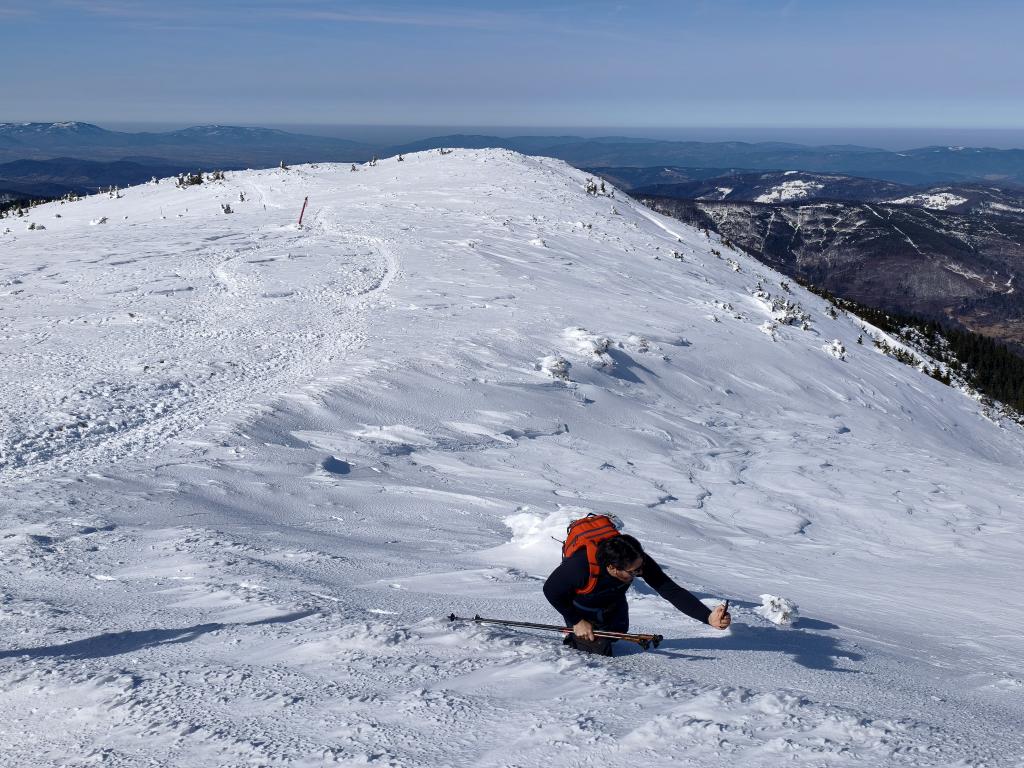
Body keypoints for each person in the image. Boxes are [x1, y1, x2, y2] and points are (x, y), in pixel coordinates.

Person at [543, 532, 730, 655]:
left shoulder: (635, 560)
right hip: (582, 605)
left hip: (612, 601)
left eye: (640, 568)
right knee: (598, 648)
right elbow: (551, 590)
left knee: (617, 634)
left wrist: (707, 617)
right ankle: (574, 638)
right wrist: (577, 621)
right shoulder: (579, 567)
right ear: (612, 567)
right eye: (633, 572)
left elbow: (669, 590)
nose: (639, 573)